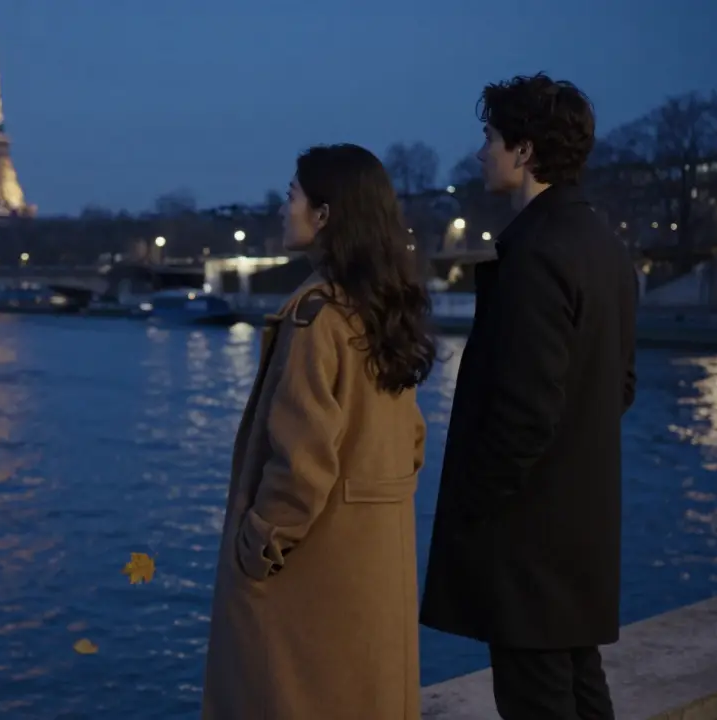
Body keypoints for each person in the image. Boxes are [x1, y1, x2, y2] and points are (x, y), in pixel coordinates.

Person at [419, 74, 639, 720]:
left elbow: (521, 416)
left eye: (490, 138)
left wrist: (475, 509)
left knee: (536, 699)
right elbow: (618, 385)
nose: (483, 152)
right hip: (582, 528)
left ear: (525, 151)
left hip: (529, 540)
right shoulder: (606, 248)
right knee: (579, 686)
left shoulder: (535, 256)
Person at [201, 143, 436, 720]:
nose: (284, 209)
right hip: (372, 569)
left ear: (324, 214)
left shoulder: (316, 320)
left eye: (292, 197)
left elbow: (301, 466)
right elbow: (413, 443)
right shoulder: (380, 312)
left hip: (313, 579)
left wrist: (256, 546)